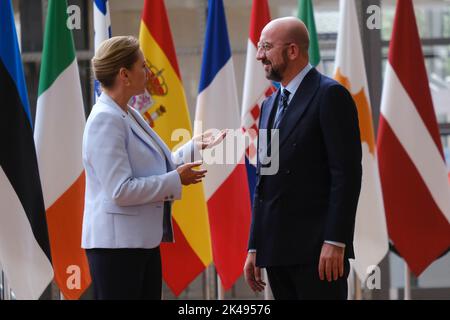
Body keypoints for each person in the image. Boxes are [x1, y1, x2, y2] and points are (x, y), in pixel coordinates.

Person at [82, 36, 224, 300]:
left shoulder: (127, 113)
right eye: (143, 67)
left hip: (139, 243)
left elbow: (155, 164)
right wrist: (175, 180)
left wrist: (194, 146)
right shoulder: (106, 120)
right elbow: (120, 191)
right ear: (124, 74)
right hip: (117, 249)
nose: (148, 73)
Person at [244, 17, 362, 300]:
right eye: (260, 47)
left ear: (293, 51)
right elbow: (264, 181)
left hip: (319, 252)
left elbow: (346, 175)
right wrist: (254, 246)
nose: (260, 55)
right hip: (276, 251)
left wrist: (336, 239)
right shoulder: (271, 104)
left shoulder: (330, 95)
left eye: (266, 47)